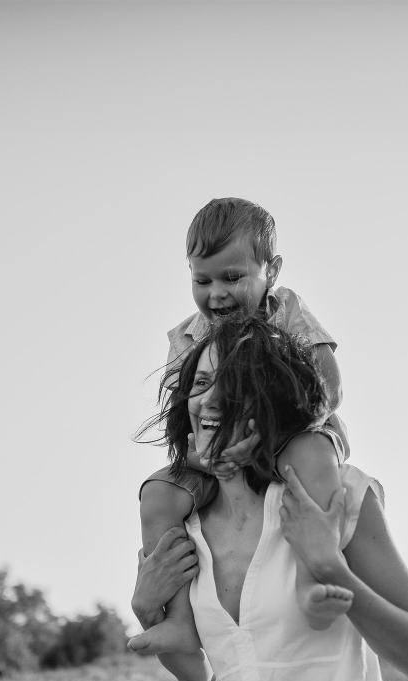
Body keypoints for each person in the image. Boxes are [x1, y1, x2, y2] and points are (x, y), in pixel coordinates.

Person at [133, 313, 408, 681]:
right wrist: (148, 611)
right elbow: (197, 674)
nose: (209, 399)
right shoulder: (185, 530)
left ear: (270, 403)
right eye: (201, 383)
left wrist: (329, 566)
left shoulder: (334, 498)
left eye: (234, 385)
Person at [132, 197, 350, 656]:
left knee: (313, 452)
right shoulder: (186, 338)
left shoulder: (284, 310)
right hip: (215, 460)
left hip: (292, 438)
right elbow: (183, 429)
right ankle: (178, 622)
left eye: (232, 278)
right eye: (202, 280)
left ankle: (315, 576)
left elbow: (328, 389)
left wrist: (271, 438)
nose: (216, 294)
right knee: (158, 494)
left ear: (272, 270)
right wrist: (209, 457)